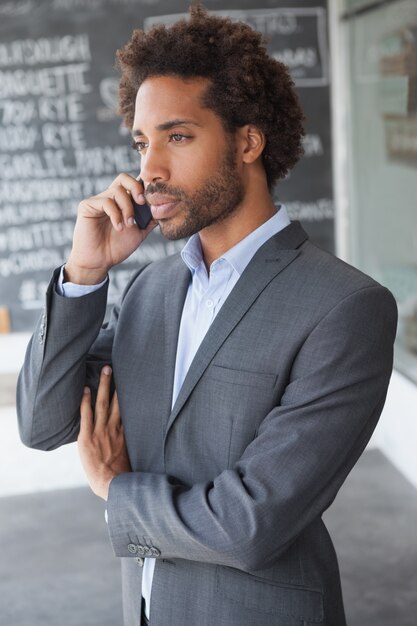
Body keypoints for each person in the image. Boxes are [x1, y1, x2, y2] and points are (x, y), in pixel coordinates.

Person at [17, 5, 397, 626]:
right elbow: (43, 422)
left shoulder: (346, 309)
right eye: (143, 143)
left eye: (178, 137)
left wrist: (116, 490)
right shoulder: (149, 292)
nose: (150, 170)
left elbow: (252, 523)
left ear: (248, 141)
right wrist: (84, 276)